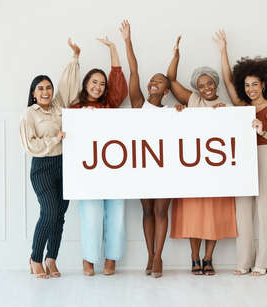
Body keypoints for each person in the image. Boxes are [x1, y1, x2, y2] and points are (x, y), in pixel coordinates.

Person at [214, 29, 267, 275]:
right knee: (243, 211)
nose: (250, 89)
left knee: (264, 210)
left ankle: (262, 263)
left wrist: (263, 132)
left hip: (265, 156)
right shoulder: (242, 106)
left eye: (255, 84)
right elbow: (227, 80)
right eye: (247, 85)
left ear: (264, 84)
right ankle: (243, 262)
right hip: (243, 159)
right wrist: (224, 50)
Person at [167, 36, 237, 276]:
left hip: (216, 172)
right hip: (193, 171)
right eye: (202, 85)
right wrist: (176, 54)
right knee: (194, 215)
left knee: (214, 216)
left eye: (210, 84)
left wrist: (223, 116)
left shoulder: (225, 107)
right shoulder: (193, 100)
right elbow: (171, 80)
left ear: (215, 85)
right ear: (196, 88)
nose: (207, 88)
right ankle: (194, 257)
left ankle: (209, 258)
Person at [20, 38, 80, 278]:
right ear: (33, 94)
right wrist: (54, 140)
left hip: (64, 166)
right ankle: (35, 258)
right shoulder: (29, 115)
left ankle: (51, 259)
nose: (45, 92)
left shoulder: (58, 106)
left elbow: (68, 84)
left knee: (60, 215)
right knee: (50, 211)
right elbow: (29, 145)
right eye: (40, 89)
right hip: (43, 167)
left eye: (48, 88)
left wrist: (75, 57)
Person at [70, 35, 128, 276]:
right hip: (88, 171)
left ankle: (111, 259)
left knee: (116, 215)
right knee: (91, 217)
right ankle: (89, 259)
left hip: (113, 169)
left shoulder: (110, 106)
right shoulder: (73, 110)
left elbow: (117, 81)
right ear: (86, 84)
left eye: (102, 84)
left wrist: (114, 48)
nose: (98, 87)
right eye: (94, 82)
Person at [120, 20, 172, 278]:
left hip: (165, 166)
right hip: (142, 164)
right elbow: (133, 71)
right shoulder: (139, 103)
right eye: (152, 80)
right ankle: (150, 255)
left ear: (166, 90)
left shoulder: (174, 112)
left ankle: (159, 257)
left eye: (159, 81)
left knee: (162, 210)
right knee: (147, 210)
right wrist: (127, 41)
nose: (153, 82)